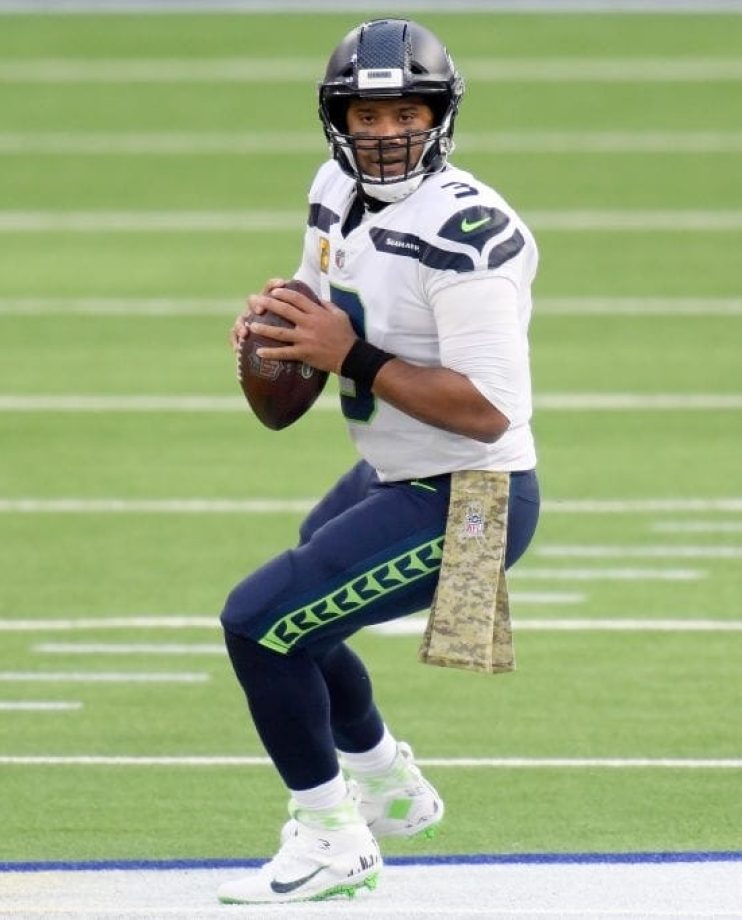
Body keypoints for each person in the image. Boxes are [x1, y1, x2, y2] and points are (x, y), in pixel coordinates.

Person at [217, 18, 540, 905]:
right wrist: (279, 320)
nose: (388, 133)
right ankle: (388, 786)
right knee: (301, 609)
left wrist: (347, 356)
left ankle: (333, 837)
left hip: (477, 499)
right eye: (368, 117)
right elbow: (320, 299)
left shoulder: (469, 234)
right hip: (401, 475)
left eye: (409, 112)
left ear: (440, 116)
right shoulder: (333, 187)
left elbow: (488, 412)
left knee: (259, 623)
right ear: (338, 124)